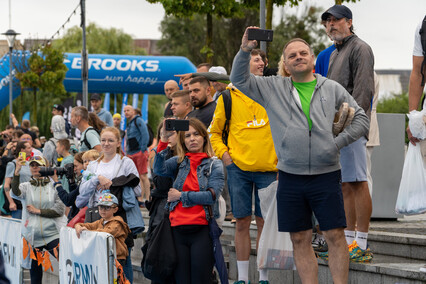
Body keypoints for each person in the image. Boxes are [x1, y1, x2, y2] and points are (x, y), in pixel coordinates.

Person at [231, 28, 369, 283]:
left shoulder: (332, 88)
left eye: (303, 52)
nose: (298, 57)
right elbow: (239, 81)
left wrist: (336, 142)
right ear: (285, 63)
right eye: (291, 55)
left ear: (313, 58)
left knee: (335, 236)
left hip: (326, 174)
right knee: (299, 238)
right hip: (289, 177)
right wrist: (245, 51)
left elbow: (361, 118)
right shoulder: (273, 88)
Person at [208, 48, 277, 284]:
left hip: (269, 170)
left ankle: (264, 277)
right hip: (239, 170)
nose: (260, 62)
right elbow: (214, 133)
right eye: (254, 59)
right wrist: (226, 158)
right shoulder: (227, 97)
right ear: (242, 65)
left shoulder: (271, 91)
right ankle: (244, 279)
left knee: (265, 225)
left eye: (262, 59)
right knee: (242, 223)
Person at [322, 5, 375, 260]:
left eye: (336, 20)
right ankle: (350, 241)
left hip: (352, 126)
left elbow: (363, 91)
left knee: (358, 183)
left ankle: (362, 245)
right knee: (345, 186)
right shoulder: (334, 54)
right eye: (328, 21)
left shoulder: (360, 48)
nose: (331, 25)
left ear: (349, 22)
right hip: (336, 129)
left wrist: (354, 127)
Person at [153, 117, 224, 284]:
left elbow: (211, 196)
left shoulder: (215, 164)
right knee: (181, 280)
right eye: (187, 135)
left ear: (204, 138)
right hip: (176, 230)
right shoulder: (178, 162)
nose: (192, 138)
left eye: (196, 134)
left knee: (200, 279)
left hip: (201, 230)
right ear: (182, 141)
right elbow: (158, 169)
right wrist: (163, 140)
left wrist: (181, 196)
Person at [76, 127, 141, 283]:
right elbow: (82, 191)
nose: (106, 144)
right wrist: (97, 179)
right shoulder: (93, 166)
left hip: (118, 215)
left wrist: (114, 184)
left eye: (110, 140)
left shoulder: (126, 162)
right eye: (103, 140)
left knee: (122, 259)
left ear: (118, 143)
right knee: (97, 260)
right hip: (96, 215)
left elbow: (138, 189)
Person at [11, 155, 65, 284]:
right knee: (35, 274)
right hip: (33, 237)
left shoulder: (54, 186)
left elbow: (60, 210)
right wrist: (17, 172)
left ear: (45, 167)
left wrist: (38, 211)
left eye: (38, 165)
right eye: (32, 165)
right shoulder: (25, 186)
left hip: (53, 234)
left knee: (64, 264)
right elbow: (15, 192)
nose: (35, 168)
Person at [75, 192, 130, 265]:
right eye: (101, 207)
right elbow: (87, 225)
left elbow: (106, 233)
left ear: (115, 209)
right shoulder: (100, 222)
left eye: (107, 207)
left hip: (117, 258)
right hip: (104, 256)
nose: (103, 210)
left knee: (115, 276)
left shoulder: (117, 223)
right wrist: (78, 226)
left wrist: (89, 232)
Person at [123, 105, 150, 205]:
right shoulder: (130, 123)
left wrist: (143, 150)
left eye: (128, 110)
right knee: (137, 176)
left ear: (133, 111)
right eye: (124, 111)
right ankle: (140, 199)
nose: (126, 112)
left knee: (143, 176)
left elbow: (145, 134)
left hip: (139, 152)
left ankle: (147, 198)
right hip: (132, 153)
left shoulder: (138, 120)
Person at [3, 142, 32, 219]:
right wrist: (11, 202)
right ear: (22, 150)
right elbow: (6, 185)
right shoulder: (12, 164)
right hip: (17, 201)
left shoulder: (29, 164)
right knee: (17, 226)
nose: (31, 149)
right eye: (29, 148)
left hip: (28, 200)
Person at [55, 152, 84, 222]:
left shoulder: (86, 182)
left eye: (76, 166)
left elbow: (68, 200)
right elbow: (75, 193)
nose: (74, 169)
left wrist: (56, 182)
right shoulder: (82, 180)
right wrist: (71, 179)